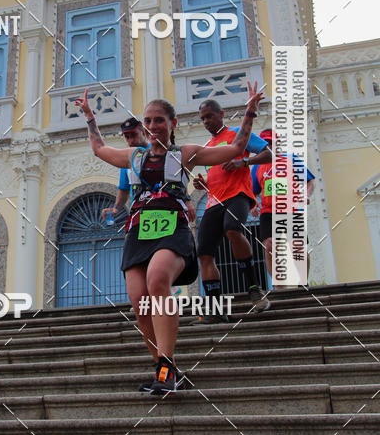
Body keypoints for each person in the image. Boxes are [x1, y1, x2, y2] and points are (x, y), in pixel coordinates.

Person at [75, 81, 265, 394]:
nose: (152, 126)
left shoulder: (185, 154)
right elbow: (98, 149)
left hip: (172, 229)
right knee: (139, 300)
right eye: (147, 121)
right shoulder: (134, 157)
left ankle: (165, 365)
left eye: (159, 120)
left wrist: (249, 113)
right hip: (138, 231)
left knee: (158, 277)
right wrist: (89, 116)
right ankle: (166, 368)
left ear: (172, 124)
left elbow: (233, 149)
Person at [192, 99, 272, 319]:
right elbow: (216, 177)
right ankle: (216, 309)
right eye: (203, 118)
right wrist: (203, 184)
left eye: (210, 116)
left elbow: (268, 154)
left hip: (238, 195)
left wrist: (243, 163)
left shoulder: (237, 134)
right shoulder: (207, 147)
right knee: (204, 252)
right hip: (213, 201)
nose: (206, 121)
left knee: (232, 229)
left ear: (221, 113)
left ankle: (254, 288)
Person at [101, 117, 196, 225]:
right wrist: (116, 209)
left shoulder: (159, 148)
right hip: (141, 215)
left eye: (134, 135)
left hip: (168, 211)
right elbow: (124, 189)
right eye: (127, 137)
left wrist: (187, 200)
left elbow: (177, 176)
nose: (131, 141)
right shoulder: (128, 158)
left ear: (143, 131)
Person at [251, 129, 315, 287]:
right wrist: (253, 203)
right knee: (271, 247)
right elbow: (252, 190)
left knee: (297, 247)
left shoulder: (291, 159)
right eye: (266, 144)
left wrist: (305, 195)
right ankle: (279, 287)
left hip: (291, 210)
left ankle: (303, 282)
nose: (270, 146)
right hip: (268, 212)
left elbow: (309, 181)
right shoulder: (258, 166)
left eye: (272, 142)